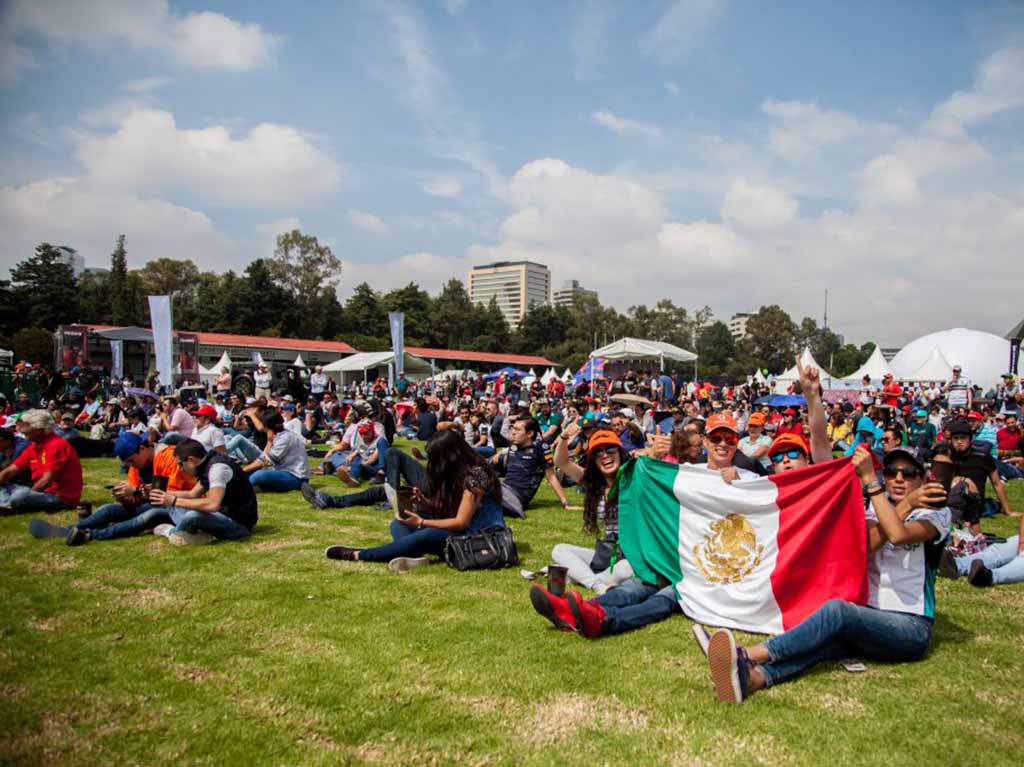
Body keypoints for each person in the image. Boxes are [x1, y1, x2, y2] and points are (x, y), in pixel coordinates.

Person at [700, 445, 949, 703]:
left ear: (923, 479)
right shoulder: (876, 508)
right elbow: (866, 546)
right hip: (870, 617)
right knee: (822, 643)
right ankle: (754, 679)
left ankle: (746, 654)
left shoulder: (936, 512)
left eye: (908, 473)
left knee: (837, 612)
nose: (898, 479)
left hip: (910, 627)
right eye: (891, 472)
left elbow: (899, 535)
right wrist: (898, 503)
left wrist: (889, 494)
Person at [323, 429, 507, 572]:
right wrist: (425, 502)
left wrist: (422, 521)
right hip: (460, 533)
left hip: (477, 538)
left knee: (426, 534)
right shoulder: (457, 473)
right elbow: (451, 511)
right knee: (398, 523)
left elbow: (461, 522)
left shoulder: (477, 475)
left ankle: (359, 554)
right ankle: (413, 554)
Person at [29, 432, 196, 545]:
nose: (131, 465)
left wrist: (137, 492)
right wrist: (126, 498)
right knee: (110, 509)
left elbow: (168, 498)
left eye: (131, 460)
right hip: (153, 504)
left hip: (178, 508)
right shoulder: (137, 466)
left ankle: (89, 535)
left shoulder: (168, 457)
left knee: (147, 516)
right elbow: (138, 499)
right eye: (128, 463)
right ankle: (69, 530)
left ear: (143, 449)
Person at [549, 424, 634, 594]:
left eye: (610, 449)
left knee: (626, 570)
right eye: (598, 453)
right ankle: (598, 585)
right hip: (609, 552)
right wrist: (564, 437)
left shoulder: (635, 477)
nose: (605, 455)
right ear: (593, 460)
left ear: (620, 453)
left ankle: (575, 575)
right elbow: (561, 462)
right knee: (559, 550)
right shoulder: (594, 483)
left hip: (632, 554)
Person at [142, 439, 258, 545]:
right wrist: (164, 495)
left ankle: (172, 532)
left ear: (191, 460)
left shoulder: (217, 469)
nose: (180, 469)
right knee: (172, 505)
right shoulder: (207, 465)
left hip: (238, 525)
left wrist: (174, 500)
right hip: (223, 516)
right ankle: (195, 533)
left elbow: (213, 505)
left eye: (180, 464)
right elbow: (192, 494)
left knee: (192, 515)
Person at [0, 410, 82, 514]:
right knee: (7, 485)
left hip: (59, 497)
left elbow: (46, 481)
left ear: (39, 430)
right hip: (41, 492)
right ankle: (7, 504)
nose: (21, 430)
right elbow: (11, 470)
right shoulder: (34, 446)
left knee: (19, 496)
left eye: (26, 425)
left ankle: (7, 504)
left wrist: (29, 495)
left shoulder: (56, 445)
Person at [492, 416, 570, 516]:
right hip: (504, 489)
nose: (513, 432)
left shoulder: (540, 447)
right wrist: (499, 454)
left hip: (516, 497)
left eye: (517, 429)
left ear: (529, 433)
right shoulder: (514, 445)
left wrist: (565, 502)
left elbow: (551, 476)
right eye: (513, 428)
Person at [242, 410, 310, 492]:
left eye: (265, 426)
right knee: (253, 473)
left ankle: (242, 487)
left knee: (259, 475)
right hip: (284, 473)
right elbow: (264, 457)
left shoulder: (285, 438)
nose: (264, 428)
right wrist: (269, 441)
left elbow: (266, 461)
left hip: (297, 478)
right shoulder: (278, 435)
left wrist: (242, 470)